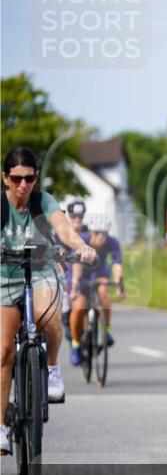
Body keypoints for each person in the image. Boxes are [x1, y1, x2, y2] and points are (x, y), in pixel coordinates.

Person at [1, 147, 96, 455]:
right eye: (17, 179)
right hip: (4, 275)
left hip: (41, 269)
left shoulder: (43, 202)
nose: (23, 185)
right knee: (3, 352)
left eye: (29, 178)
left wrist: (80, 245)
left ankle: (52, 369)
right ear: (5, 179)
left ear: (35, 177)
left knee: (47, 317)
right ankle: (1, 427)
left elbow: (63, 228)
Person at [69, 216, 125, 366]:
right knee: (79, 307)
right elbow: (77, 265)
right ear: (90, 233)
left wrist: (119, 285)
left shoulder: (112, 243)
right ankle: (76, 345)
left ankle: (106, 329)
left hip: (99, 274)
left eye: (104, 233)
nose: (100, 237)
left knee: (104, 293)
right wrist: (74, 287)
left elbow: (116, 264)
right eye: (96, 233)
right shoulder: (82, 240)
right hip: (78, 275)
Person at [61, 200, 87, 331]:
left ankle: (104, 329)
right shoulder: (63, 235)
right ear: (69, 217)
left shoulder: (88, 233)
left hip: (86, 277)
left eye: (80, 216)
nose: (77, 219)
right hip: (67, 278)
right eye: (74, 216)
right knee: (66, 312)